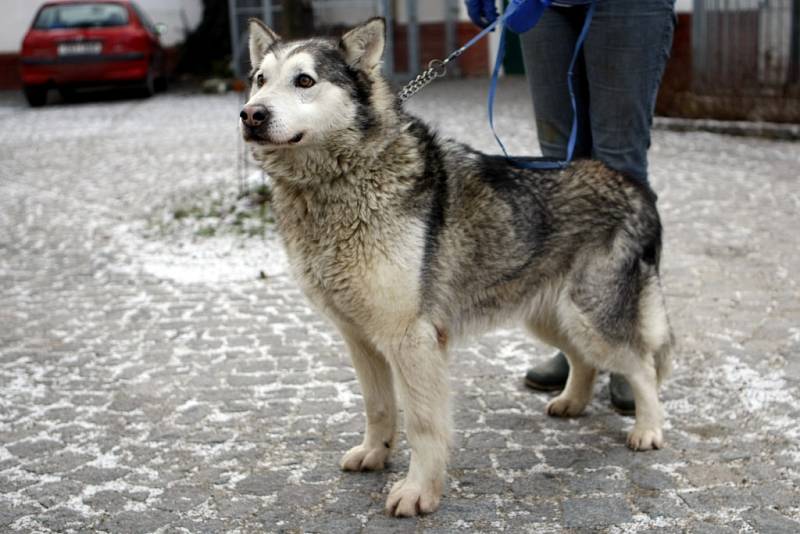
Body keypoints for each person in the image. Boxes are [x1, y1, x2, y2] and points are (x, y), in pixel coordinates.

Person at [466, 0, 676, 413]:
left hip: (629, 9)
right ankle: (577, 344)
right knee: (559, 173)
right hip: (544, 6)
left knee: (620, 167)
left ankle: (624, 342)